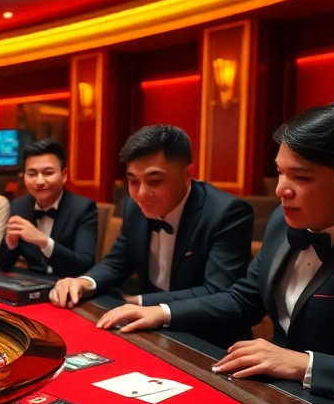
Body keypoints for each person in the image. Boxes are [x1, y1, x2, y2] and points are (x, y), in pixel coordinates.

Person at [97, 102, 334, 404]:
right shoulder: (283, 221)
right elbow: (244, 299)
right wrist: (163, 312)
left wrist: (301, 364)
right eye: (280, 172)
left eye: (301, 177)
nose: (280, 190)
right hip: (278, 400)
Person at [50, 125, 254, 347]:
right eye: (133, 181)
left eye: (154, 181)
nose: (141, 194)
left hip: (210, 339)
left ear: (188, 174)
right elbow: (117, 263)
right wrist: (84, 282)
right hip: (150, 332)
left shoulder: (226, 213)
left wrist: (140, 302)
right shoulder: (133, 206)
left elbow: (217, 291)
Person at [0, 138, 98, 277]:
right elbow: (4, 263)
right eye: (32, 174)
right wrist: (10, 242)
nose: (39, 181)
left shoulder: (83, 208)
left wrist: (42, 241)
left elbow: (85, 265)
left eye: (48, 173)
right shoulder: (19, 205)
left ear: (64, 176)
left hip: (68, 285)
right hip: (31, 283)